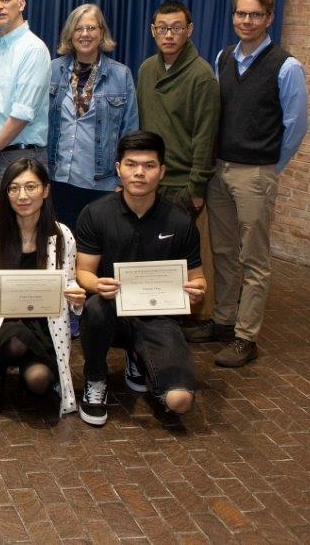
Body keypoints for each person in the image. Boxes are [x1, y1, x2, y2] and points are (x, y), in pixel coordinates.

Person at [186, 0, 309, 367]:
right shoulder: (224, 58)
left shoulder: (286, 66)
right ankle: (223, 322)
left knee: (253, 258)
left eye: (255, 14)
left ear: (269, 18)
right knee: (223, 252)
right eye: (241, 13)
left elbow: (296, 125)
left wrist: (270, 168)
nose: (246, 20)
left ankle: (246, 336)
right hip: (220, 169)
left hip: (255, 173)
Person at [75, 131, 207, 427]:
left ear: (162, 171)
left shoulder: (180, 221)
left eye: (148, 166)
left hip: (159, 316)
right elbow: (83, 272)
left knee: (180, 401)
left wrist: (198, 289)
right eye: (131, 164)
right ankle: (96, 379)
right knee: (95, 308)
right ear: (118, 168)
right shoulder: (95, 214)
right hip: (113, 312)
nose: (139, 173)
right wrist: (96, 284)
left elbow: (199, 279)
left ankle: (140, 358)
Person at [0, 159, 84, 416]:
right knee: (16, 341)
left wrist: (76, 295)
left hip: (44, 322)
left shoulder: (62, 235)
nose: (22, 196)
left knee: (38, 382)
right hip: (3, 321)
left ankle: (29, 367)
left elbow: (70, 279)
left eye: (31, 187)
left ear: (46, 190)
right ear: (6, 193)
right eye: (14, 188)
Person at [47, 3, 138, 228]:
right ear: (70, 34)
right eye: (78, 29)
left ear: (102, 33)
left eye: (91, 28)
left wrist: (122, 180)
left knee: (98, 251)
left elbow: (130, 131)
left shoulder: (120, 74)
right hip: (58, 180)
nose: (85, 34)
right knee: (61, 249)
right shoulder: (53, 70)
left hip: (102, 183)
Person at [0, 0, 52, 227]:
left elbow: (22, 112)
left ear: (21, 4)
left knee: (25, 238)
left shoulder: (34, 49)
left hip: (22, 157)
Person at [136, 0, 220, 218]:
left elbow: (206, 137)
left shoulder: (202, 76)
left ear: (189, 30)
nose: (169, 35)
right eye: (162, 28)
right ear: (153, 31)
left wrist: (196, 189)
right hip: (147, 178)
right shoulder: (146, 69)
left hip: (181, 186)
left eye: (177, 28)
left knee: (172, 251)